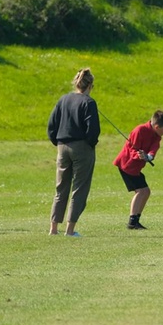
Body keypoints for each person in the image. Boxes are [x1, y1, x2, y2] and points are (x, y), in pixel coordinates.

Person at [47, 68, 100, 237]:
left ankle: (53, 228)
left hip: (62, 146)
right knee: (79, 188)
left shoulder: (63, 99)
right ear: (90, 85)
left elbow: (51, 125)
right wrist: (91, 145)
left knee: (61, 188)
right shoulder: (89, 102)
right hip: (81, 147)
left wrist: (57, 142)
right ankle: (70, 230)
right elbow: (93, 130)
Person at [113, 110, 163, 230]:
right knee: (141, 191)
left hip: (136, 167)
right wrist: (139, 155)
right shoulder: (139, 130)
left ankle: (136, 220)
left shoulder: (157, 136)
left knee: (146, 191)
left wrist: (149, 156)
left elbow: (154, 148)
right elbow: (131, 150)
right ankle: (132, 222)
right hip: (127, 165)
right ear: (157, 126)